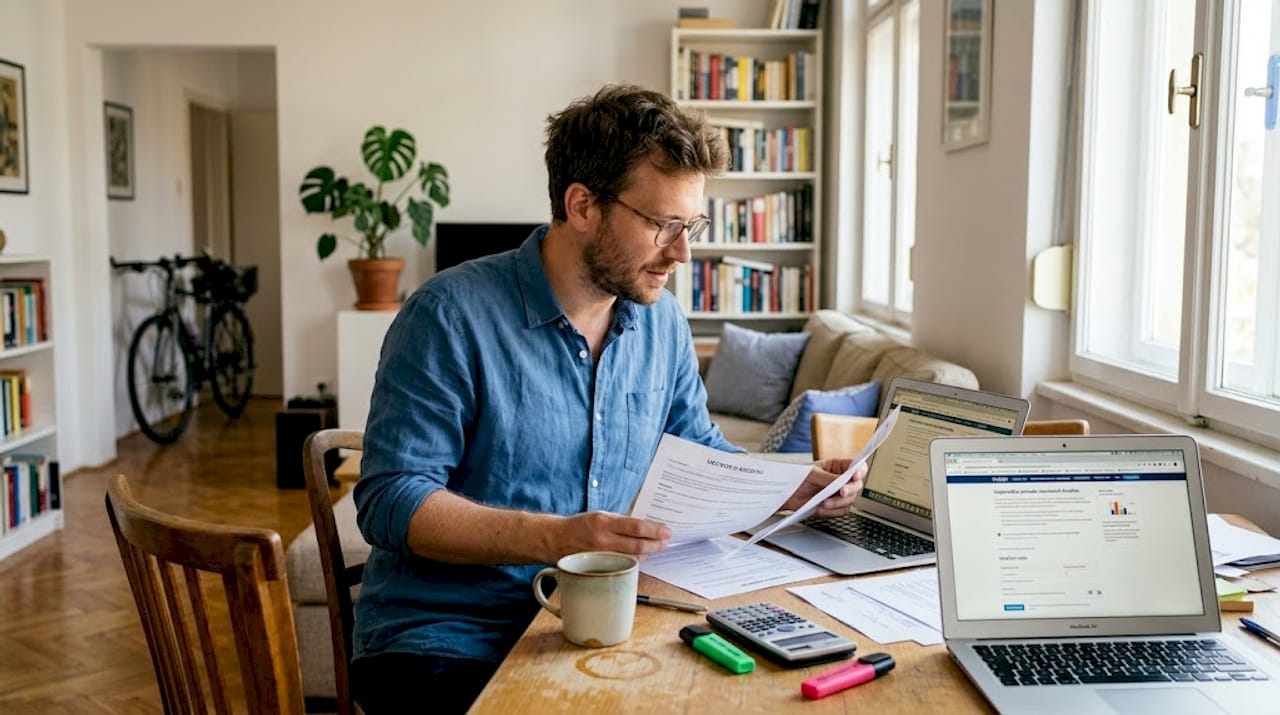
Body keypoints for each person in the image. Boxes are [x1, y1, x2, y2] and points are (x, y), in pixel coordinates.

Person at [351, 84, 865, 714]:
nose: (683, 252)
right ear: (583, 205)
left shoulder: (661, 321)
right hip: (450, 637)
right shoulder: (448, 315)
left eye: (691, 225)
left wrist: (786, 489)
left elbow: (695, 448)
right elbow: (390, 499)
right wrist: (557, 538)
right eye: (663, 225)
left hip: (608, 620)